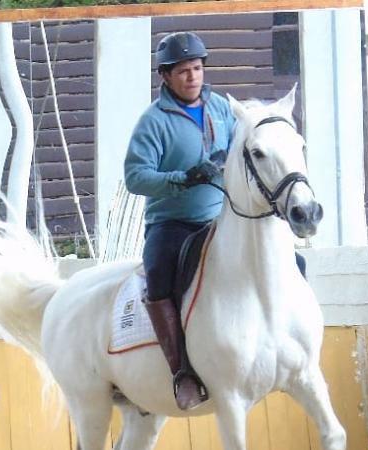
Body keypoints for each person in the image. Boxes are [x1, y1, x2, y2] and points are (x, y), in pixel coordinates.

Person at [124, 31, 234, 411]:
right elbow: (135, 177)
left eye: (198, 68)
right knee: (158, 275)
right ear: (166, 77)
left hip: (221, 218)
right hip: (172, 222)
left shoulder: (222, 108)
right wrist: (182, 178)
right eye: (184, 71)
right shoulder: (152, 122)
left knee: (290, 260)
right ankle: (182, 371)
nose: (193, 77)